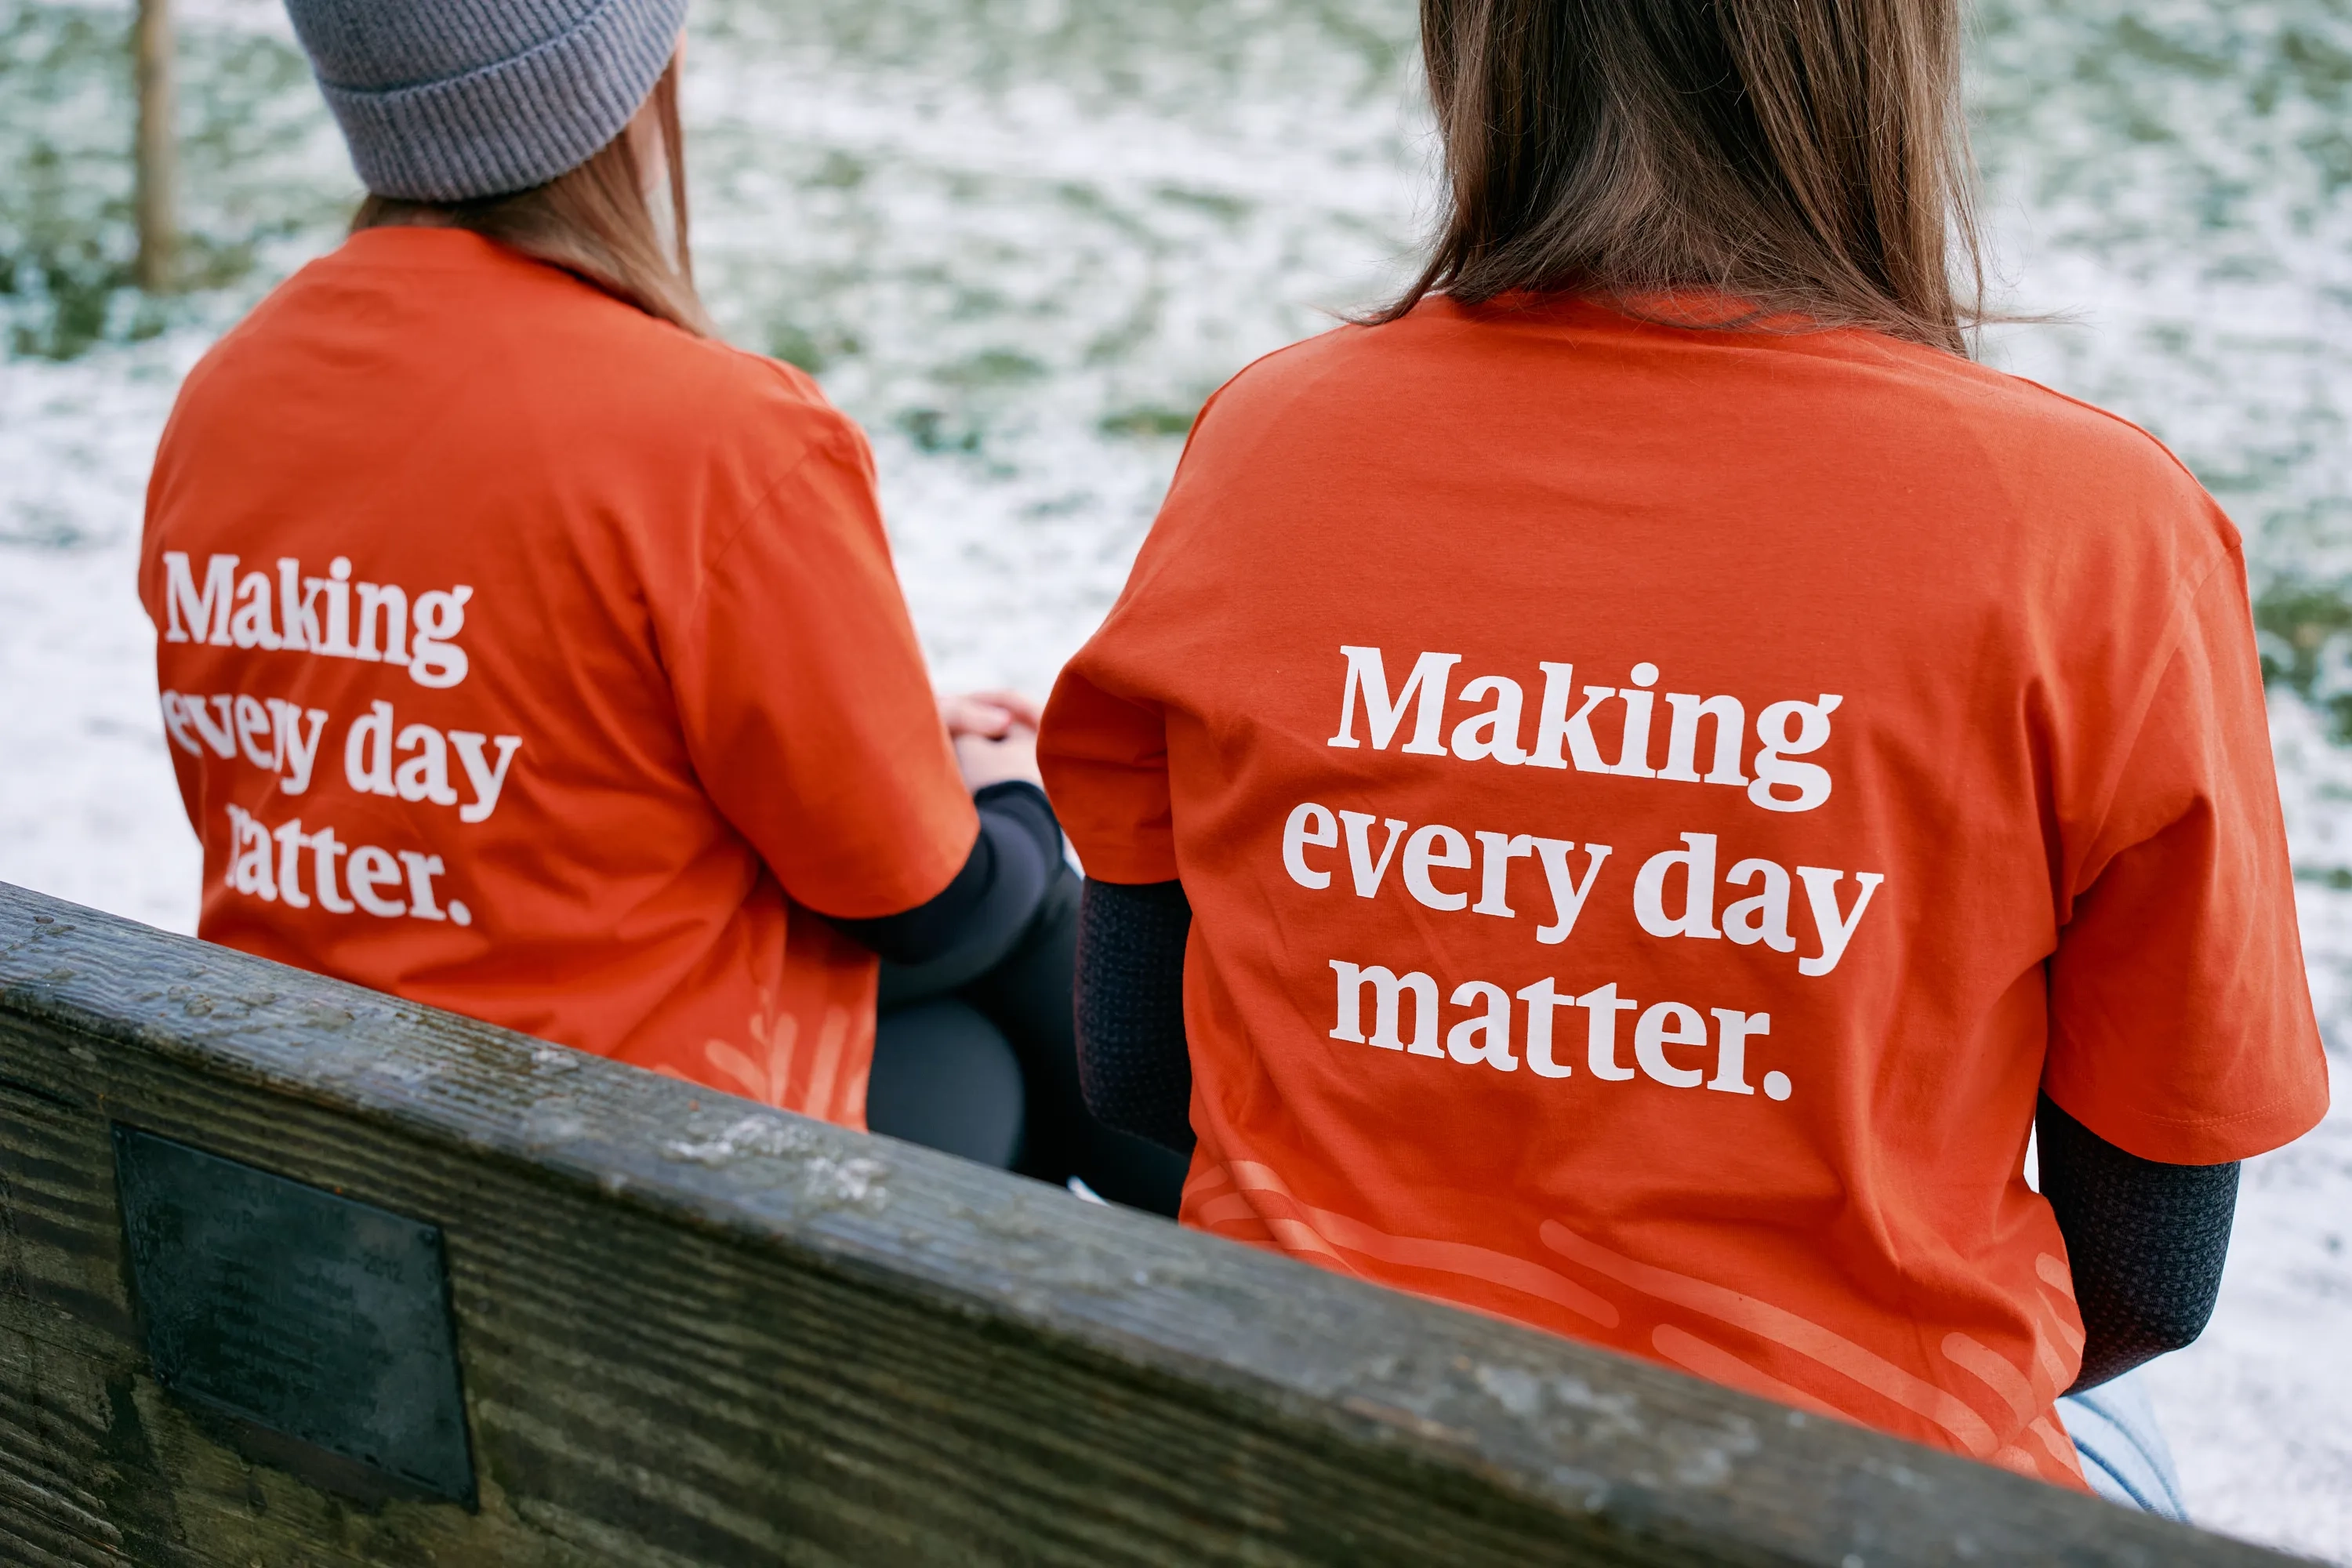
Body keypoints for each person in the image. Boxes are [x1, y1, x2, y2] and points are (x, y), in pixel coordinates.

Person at [1038, 0, 2331, 1508]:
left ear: (1480, 54)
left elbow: (1135, 1067)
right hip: (1843, 1497)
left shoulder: (1271, 437)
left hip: (1303, 1466)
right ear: (1885, 68)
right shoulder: (2094, 528)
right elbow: (2157, 1280)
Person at [136, 0, 1180, 1214]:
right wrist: (1007, 787)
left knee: (987, 1048)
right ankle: (1299, 1323)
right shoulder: (716, 439)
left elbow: (465, 740)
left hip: (318, 1157)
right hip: (617, 1193)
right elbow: (928, 902)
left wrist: (885, 723)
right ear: (637, 85)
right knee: (1030, 949)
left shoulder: (228, 400)